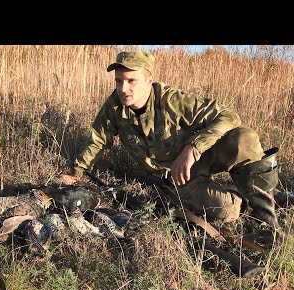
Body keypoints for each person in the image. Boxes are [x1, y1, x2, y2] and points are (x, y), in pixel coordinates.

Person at [58, 50, 280, 233]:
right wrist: (76, 173)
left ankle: (267, 220)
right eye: (118, 81)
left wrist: (192, 149)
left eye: (131, 80)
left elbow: (229, 116)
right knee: (225, 212)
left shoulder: (172, 100)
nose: (123, 89)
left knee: (244, 138)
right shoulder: (115, 107)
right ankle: (248, 196)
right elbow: (97, 140)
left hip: (200, 156)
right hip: (176, 177)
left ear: (148, 80)